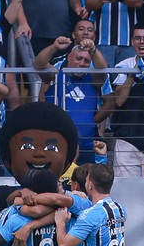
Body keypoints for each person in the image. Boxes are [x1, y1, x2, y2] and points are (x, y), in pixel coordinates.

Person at [36, 36, 111, 166]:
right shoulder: (55, 74)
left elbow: (102, 68)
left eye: (86, 61)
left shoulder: (93, 79)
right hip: (56, 144)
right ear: (69, 58)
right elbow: (39, 64)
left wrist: (93, 50)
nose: (82, 63)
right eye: (78, 58)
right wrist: (54, 47)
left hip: (87, 146)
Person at [106, 24, 144, 177]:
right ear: (132, 41)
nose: (142, 42)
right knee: (127, 189)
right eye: (138, 38)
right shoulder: (123, 66)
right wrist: (133, 73)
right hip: (126, 139)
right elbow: (119, 101)